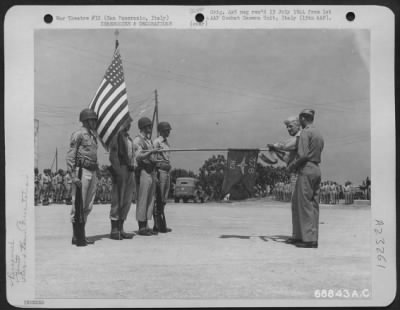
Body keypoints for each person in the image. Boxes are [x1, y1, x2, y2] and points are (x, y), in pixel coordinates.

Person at [288, 109, 324, 248]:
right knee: (313, 205)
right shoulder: (318, 133)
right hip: (316, 168)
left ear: (303, 118)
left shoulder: (305, 132)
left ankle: (308, 240)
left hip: (306, 168)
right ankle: (304, 236)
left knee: (303, 205)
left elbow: (303, 155)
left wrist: (292, 166)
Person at [66, 108, 99, 246]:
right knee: (78, 204)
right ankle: (77, 236)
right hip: (82, 171)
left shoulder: (93, 136)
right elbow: (70, 155)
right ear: (86, 120)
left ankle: (81, 234)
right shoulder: (78, 134)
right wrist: (73, 176)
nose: (95, 122)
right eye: (92, 120)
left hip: (92, 171)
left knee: (87, 205)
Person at [108, 115, 135, 240]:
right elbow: (113, 156)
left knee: (127, 200)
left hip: (130, 169)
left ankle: (121, 228)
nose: (129, 124)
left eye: (129, 123)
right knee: (117, 199)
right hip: (121, 168)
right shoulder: (116, 136)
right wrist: (117, 171)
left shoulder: (128, 138)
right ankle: (114, 229)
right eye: (127, 122)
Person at [133, 117, 158, 236]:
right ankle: (141, 226)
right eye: (148, 126)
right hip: (143, 171)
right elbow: (138, 156)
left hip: (151, 171)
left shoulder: (149, 140)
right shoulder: (138, 140)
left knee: (150, 199)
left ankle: (146, 224)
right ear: (142, 127)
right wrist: (150, 153)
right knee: (143, 198)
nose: (150, 128)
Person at [153, 121, 173, 233]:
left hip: (167, 171)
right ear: (161, 131)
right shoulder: (157, 142)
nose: (168, 131)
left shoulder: (166, 143)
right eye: (166, 130)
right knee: (158, 198)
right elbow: (154, 158)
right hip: (160, 171)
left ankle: (161, 223)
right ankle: (157, 224)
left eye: (169, 130)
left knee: (164, 199)